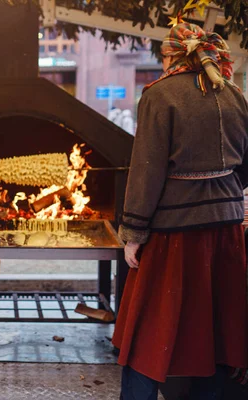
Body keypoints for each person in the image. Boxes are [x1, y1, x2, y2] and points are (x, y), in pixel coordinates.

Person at [114, 23, 248, 399]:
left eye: (163, 58)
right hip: (227, 232)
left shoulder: (160, 96)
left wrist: (133, 234)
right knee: (217, 330)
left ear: (174, 56)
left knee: (148, 331)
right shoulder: (235, 95)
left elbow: (147, 170)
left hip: (174, 233)